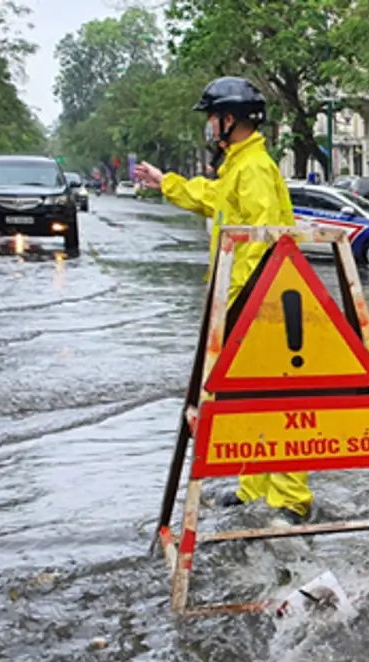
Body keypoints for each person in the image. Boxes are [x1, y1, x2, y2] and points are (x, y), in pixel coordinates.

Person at [134, 77, 313, 520]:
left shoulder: (252, 168)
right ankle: (254, 487)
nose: (209, 126)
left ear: (229, 120)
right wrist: (166, 183)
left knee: (276, 403)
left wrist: (237, 303)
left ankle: (291, 499)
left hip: (261, 302)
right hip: (247, 298)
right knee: (249, 399)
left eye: (213, 118)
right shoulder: (238, 165)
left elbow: (261, 236)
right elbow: (213, 199)